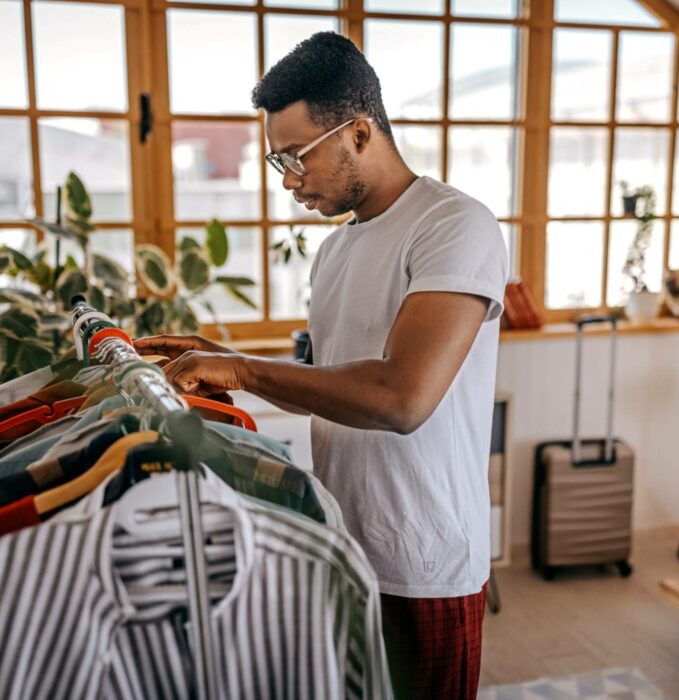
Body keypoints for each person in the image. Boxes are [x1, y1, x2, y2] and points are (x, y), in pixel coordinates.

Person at [135, 32, 508, 700]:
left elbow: (400, 399)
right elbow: (334, 387)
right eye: (278, 158)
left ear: (359, 131)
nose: (287, 179)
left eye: (296, 155)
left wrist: (245, 370)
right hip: (342, 545)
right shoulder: (334, 254)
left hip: (423, 561)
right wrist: (226, 360)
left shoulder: (455, 226)